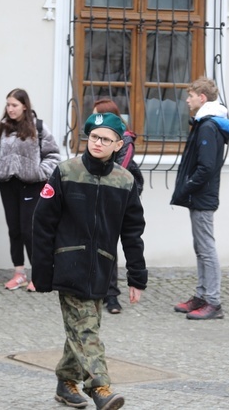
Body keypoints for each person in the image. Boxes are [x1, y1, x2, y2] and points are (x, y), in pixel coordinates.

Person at [32, 112, 148, 410]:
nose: (97, 143)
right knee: (86, 329)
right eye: (94, 137)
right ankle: (101, 388)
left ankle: (65, 380)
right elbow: (43, 223)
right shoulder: (66, 172)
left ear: (118, 145)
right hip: (69, 267)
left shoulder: (125, 181)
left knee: (83, 327)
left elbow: (132, 232)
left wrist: (137, 277)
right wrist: (41, 273)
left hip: (101, 269)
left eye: (105, 139)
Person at [171, 78, 229, 321]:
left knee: (206, 248)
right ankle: (201, 295)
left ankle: (214, 302)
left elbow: (206, 167)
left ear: (202, 98)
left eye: (191, 95)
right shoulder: (204, 124)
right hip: (199, 195)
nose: (187, 100)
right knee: (201, 247)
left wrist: (188, 186)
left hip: (202, 196)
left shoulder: (208, 127)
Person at [0, 88, 61, 292]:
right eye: (8, 105)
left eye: (14, 105)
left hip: (31, 184)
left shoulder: (38, 127)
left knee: (29, 230)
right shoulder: (3, 128)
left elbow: (54, 155)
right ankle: (19, 273)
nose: (10, 109)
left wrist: (39, 172)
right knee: (14, 230)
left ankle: (39, 275)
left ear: (24, 106)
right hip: (8, 184)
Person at [92, 99, 144, 314]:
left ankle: (111, 295)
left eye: (97, 115)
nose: (93, 120)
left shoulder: (125, 141)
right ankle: (100, 287)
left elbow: (119, 170)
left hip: (119, 195)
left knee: (112, 242)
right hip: (101, 191)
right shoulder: (98, 139)